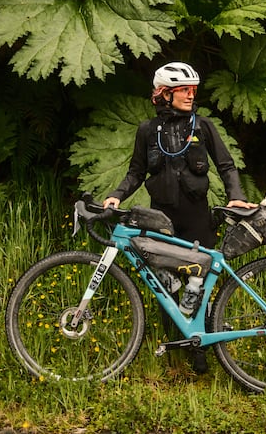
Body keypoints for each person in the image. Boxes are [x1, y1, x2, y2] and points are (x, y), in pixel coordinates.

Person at [103, 62, 257, 372]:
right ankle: (175, 346)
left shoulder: (203, 127)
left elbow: (226, 166)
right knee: (164, 282)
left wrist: (236, 195)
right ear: (165, 94)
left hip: (196, 216)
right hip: (160, 217)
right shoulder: (147, 130)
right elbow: (136, 172)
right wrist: (117, 195)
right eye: (184, 90)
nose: (190, 95)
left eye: (193, 91)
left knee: (196, 282)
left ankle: (202, 350)